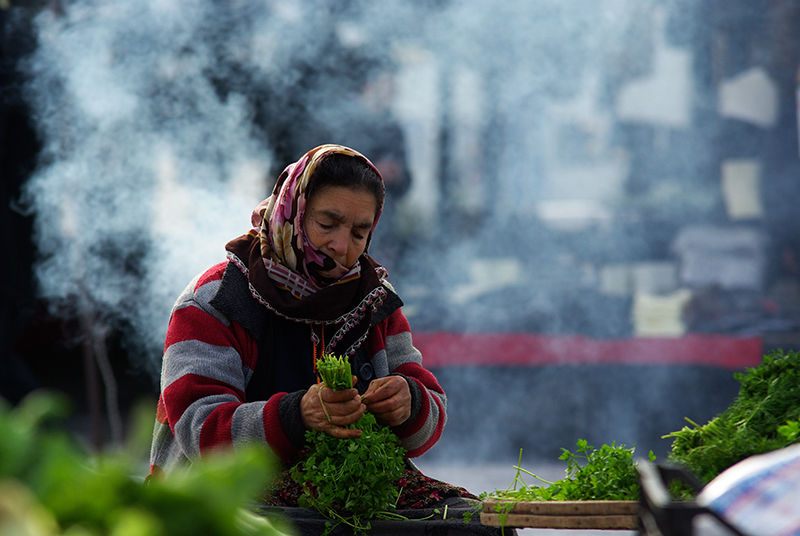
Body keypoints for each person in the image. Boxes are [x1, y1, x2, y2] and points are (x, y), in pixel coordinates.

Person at [147, 144, 475, 511]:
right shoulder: (214, 300)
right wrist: (295, 416)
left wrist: (409, 402)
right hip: (221, 497)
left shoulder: (374, 298)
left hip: (343, 496)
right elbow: (200, 428)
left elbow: (429, 416)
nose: (342, 246)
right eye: (327, 224)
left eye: (359, 232)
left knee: (471, 521)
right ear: (293, 212)